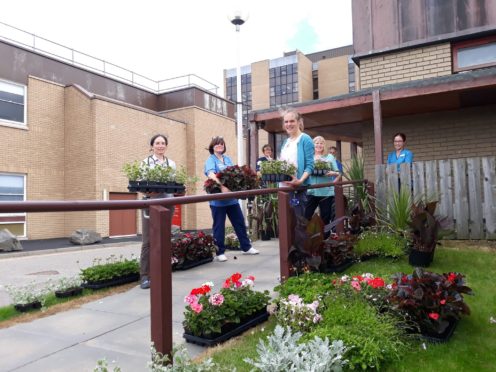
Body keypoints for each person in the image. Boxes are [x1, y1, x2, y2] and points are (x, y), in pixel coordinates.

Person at [204, 136, 259, 262]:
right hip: (218, 201)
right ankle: (220, 252)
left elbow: (235, 174)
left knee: (239, 222)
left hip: (231, 199)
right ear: (212, 146)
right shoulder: (210, 160)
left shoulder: (227, 158)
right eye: (217, 144)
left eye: (222, 144)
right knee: (219, 226)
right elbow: (211, 174)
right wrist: (222, 186)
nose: (220, 146)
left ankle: (246, 247)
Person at [139, 134, 177, 289]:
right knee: (148, 241)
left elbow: (173, 184)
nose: (160, 145)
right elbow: (142, 186)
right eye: (157, 143)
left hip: (167, 202)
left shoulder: (171, 163)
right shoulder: (145, 163)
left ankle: (161, 272)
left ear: (166, 146)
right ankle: (145, 276)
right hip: (150, 203)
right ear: (152, 146)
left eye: (163, 143)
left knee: (164, 239)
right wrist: (151, 192)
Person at [279, 108, 314, 212]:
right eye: (286, 121)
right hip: (283, 188)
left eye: (292, 121)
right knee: (286, 222)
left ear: (299, 122)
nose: (289, 124)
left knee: (298, 222)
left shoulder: (305, 139)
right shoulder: (286, 142)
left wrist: (300, 181)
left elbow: (310, 165)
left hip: (298, 189)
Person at [305, 136, 340, 238]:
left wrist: (332, 176)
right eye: (316, 143)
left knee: (325, 217)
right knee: (306, 216)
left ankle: (325, 240)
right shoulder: (309, 158)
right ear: (313, 145)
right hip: (311, 191)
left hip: (326, 192)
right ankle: (308, 238)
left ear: (324, 145)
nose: (319, 145)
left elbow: (338, 173)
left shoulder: (329, 157)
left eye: (321, 143)